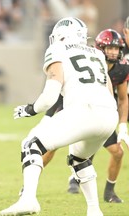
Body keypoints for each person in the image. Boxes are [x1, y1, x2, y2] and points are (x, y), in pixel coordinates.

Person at [0, 17, 118, 216]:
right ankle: (94, 211)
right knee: (80, 158)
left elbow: (49, 97)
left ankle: (28, 199)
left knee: (31, 143)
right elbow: (108, 90)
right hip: (108, 115)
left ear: (61, 35)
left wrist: (29, 109)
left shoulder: (58, 49)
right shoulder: (98, 54)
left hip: (84, 110)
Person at [41, 29, 129, 202]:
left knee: (116, 152)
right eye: (109, 48)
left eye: (116, 48)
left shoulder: (121, 68)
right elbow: (60, 88)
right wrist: (49, 115)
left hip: (101, 111)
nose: (113, 52)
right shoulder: (89, 58)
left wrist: (123, 126)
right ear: (98, 48)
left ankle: (108, 192)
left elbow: (123, 99)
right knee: (52, 145)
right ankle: (31, 179)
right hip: (75, 106)